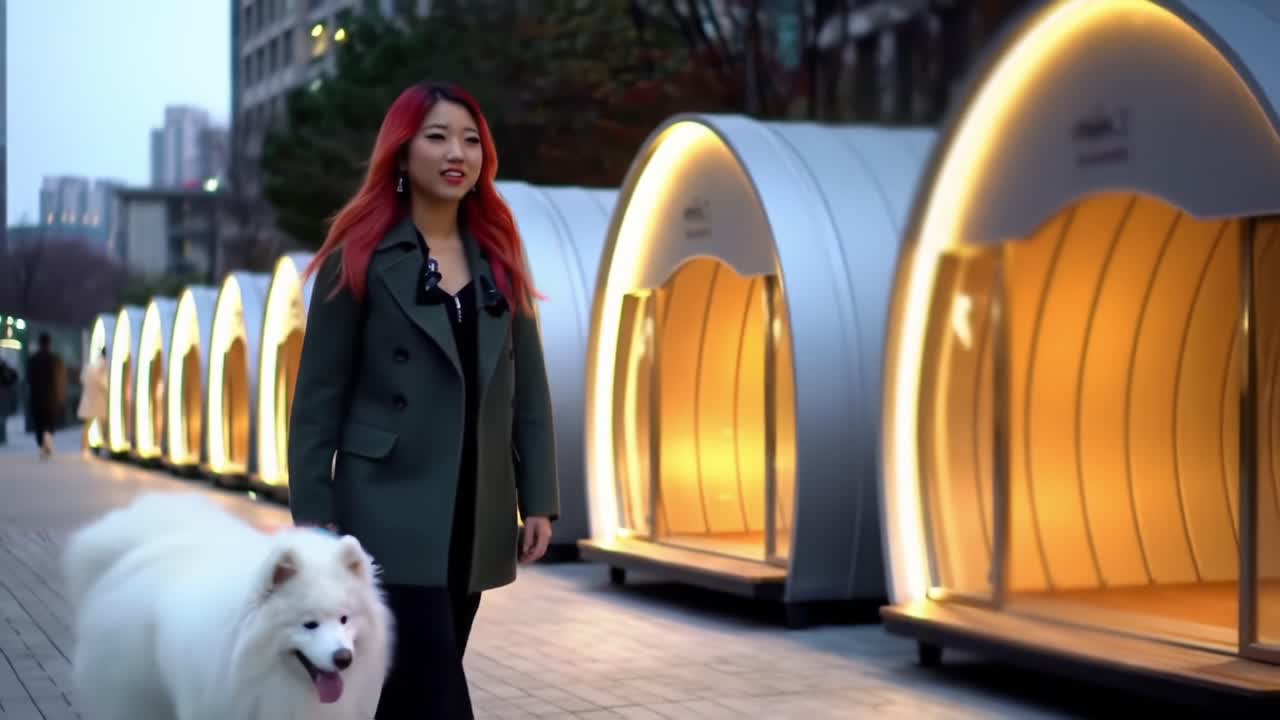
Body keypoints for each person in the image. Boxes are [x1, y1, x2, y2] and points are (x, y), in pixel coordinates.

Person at [287, 81, 560, 720]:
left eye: (470, 140)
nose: (456, 153)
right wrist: (315, 517)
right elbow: (318, 400)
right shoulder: (359, 256)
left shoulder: (500, 258)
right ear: (403, 153)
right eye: (436, 137)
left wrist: (539, 498)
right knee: (433, 682)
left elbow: (528, 386)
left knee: (410, 690)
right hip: (385, 506)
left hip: (475, 506)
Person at [26, 332, 67, 459]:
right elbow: (61, 380)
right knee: (50, 423)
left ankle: (41, 445)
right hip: (52, 398)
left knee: (39, 423)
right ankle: (48, 441)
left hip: (37, 398)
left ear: (39, 343)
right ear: (50, 343)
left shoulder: (33, 360)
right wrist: (61, 397)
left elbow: (29, 379)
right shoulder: (56, 360)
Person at [78, 348, 109, 453]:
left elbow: (82, 379)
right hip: (100, 399)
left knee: (88, 425)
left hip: (89, 399)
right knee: (102, 425)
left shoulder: (90, 365)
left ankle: (84, 447)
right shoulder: (103, 366)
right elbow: (103, 383)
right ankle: (104, 446)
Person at [0, 357, 17, 446]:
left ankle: (2, 437)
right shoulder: (6, 368)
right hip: (4, 394)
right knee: (2, 417)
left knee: (2, 417)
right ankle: (2, 437)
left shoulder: (5, 369)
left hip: (4, 394)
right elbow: (14, 377)